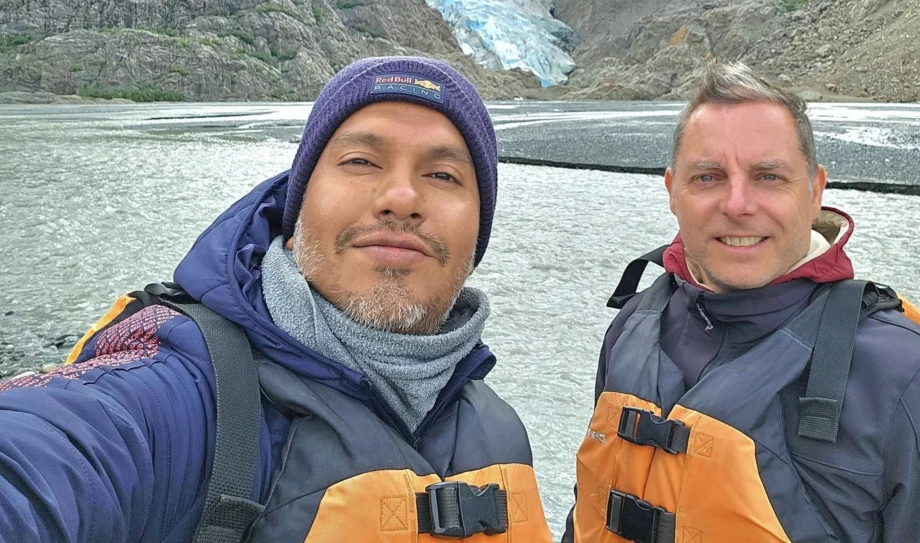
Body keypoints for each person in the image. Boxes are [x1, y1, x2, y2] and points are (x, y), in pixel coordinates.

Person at [0, 56, 553, 543]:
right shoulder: (181, 401)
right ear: (298, 206)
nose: (402, 198)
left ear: (478, 232)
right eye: (361, 161)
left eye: (442, 173)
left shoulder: (497, 429)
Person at [564, 61, 920, 543]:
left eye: (768, 177)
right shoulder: (636, 325)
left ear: (814, 190)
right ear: (672, 191)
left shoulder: (915, 378)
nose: (738, 204)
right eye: (707, 177)